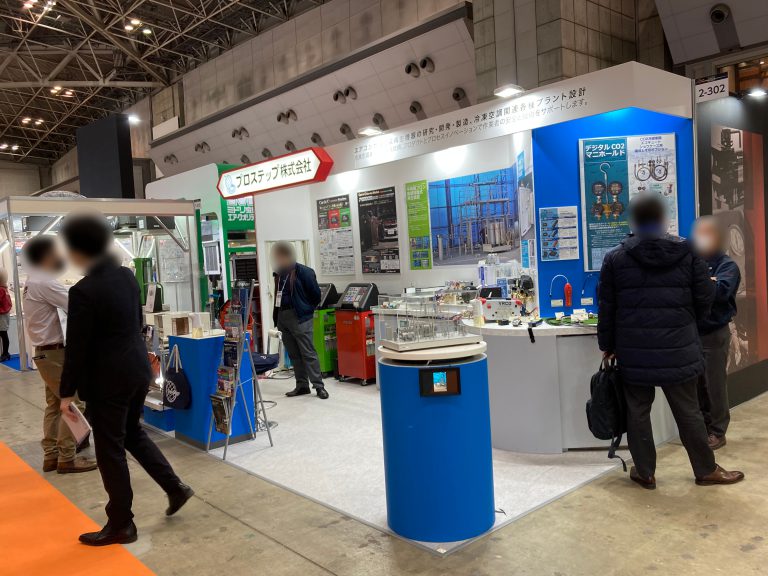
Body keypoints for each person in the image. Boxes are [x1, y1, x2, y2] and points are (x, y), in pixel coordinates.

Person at [58, 213, 193, 546]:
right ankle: (175, 487)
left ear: (81, 250)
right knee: (132, 433)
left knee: (109, 450)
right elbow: (134, 324)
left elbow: (77, 348)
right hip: (136, 371)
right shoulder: (127, 277)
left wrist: (66, 393)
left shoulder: (83, 291)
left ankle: (121, 523)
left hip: (107, 381)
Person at [597, 194, 743, 489]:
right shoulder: (688, 253)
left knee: (638, 412)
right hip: (680, 347)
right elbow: (705, 297)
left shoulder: (615, 258)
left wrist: (608, 345)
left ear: (633, 222)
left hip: (634, 352)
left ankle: (645, 472)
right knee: (688, 410)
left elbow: (607, 308)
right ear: (663, 220)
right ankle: (706, 470)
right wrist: (689, 326)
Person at [21, 237, 96, 474]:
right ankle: (67, 457)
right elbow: (75, 303)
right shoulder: (44, 281)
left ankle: (51, 455)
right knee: (73, 402)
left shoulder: (33, 280)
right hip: (54, 354)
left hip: (45, 354)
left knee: (54, 405)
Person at [692, 216, 741, 450]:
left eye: (707, 233)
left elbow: (720, 292)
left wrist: (705, 283)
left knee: (714, 384)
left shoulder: (727, 265)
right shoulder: (693, 261)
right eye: (699, 232)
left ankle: (718, 431)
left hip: (714, 332)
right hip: (692, 333)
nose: (702, 238)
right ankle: (702, 428)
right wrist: (707, 281)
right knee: (697, 385)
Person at [271, 241, 328, 400]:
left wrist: (306, 309)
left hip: (300, 317)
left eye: (280, 256)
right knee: (294, 354)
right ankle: (302, 385)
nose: (278, 259)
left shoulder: (304, 272)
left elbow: (315, 295)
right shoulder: (279, 273)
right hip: (283, 316)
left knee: (308, 352)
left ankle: (319, 386)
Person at [0, 269, 11, 362]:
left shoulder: (1, 289)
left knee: (3, 334)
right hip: (5, 314)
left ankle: (5, 353)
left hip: (2, 314)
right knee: (3, 334)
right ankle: (5, 353)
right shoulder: (4, 288)